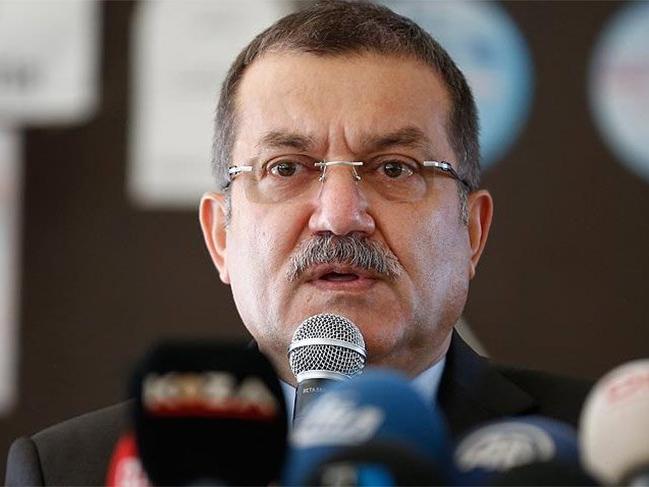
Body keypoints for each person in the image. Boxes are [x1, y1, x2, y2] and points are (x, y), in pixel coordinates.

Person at [5, 2, 591, 485]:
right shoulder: (72, 471)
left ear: (472, 232)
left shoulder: (599, 455)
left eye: (394, 168)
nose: (339, 216)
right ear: (221, 236)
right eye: (286, 168)